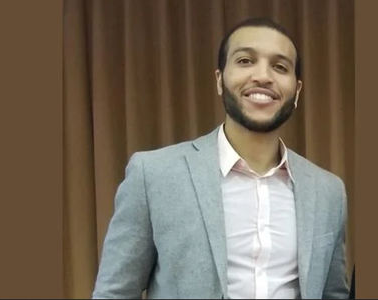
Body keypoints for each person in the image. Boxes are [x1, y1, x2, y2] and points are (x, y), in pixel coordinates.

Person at [92, 16, 350, 299]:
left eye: (279, 66)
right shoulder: (153, 174)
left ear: (297, 90)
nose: (263, 76)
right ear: (219, 80)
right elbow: (114, 293)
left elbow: (333, 294)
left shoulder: (328, 192)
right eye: (245, 61)